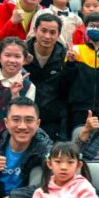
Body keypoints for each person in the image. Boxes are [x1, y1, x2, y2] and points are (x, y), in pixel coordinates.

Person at [24, 12, 69, 141]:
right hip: (25, 116)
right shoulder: (21, 53)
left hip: (53, 119)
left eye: (52, 32)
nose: (47, 36)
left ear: (58, 35)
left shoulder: (65, 57)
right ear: (34, 30)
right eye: (43, 31)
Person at [30, 141, 99, 198]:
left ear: (78, 165)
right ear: (49, 164)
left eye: (70, 162)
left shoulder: (85, 188)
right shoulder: (39, 193)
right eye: (58, 161)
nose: (63, 167)